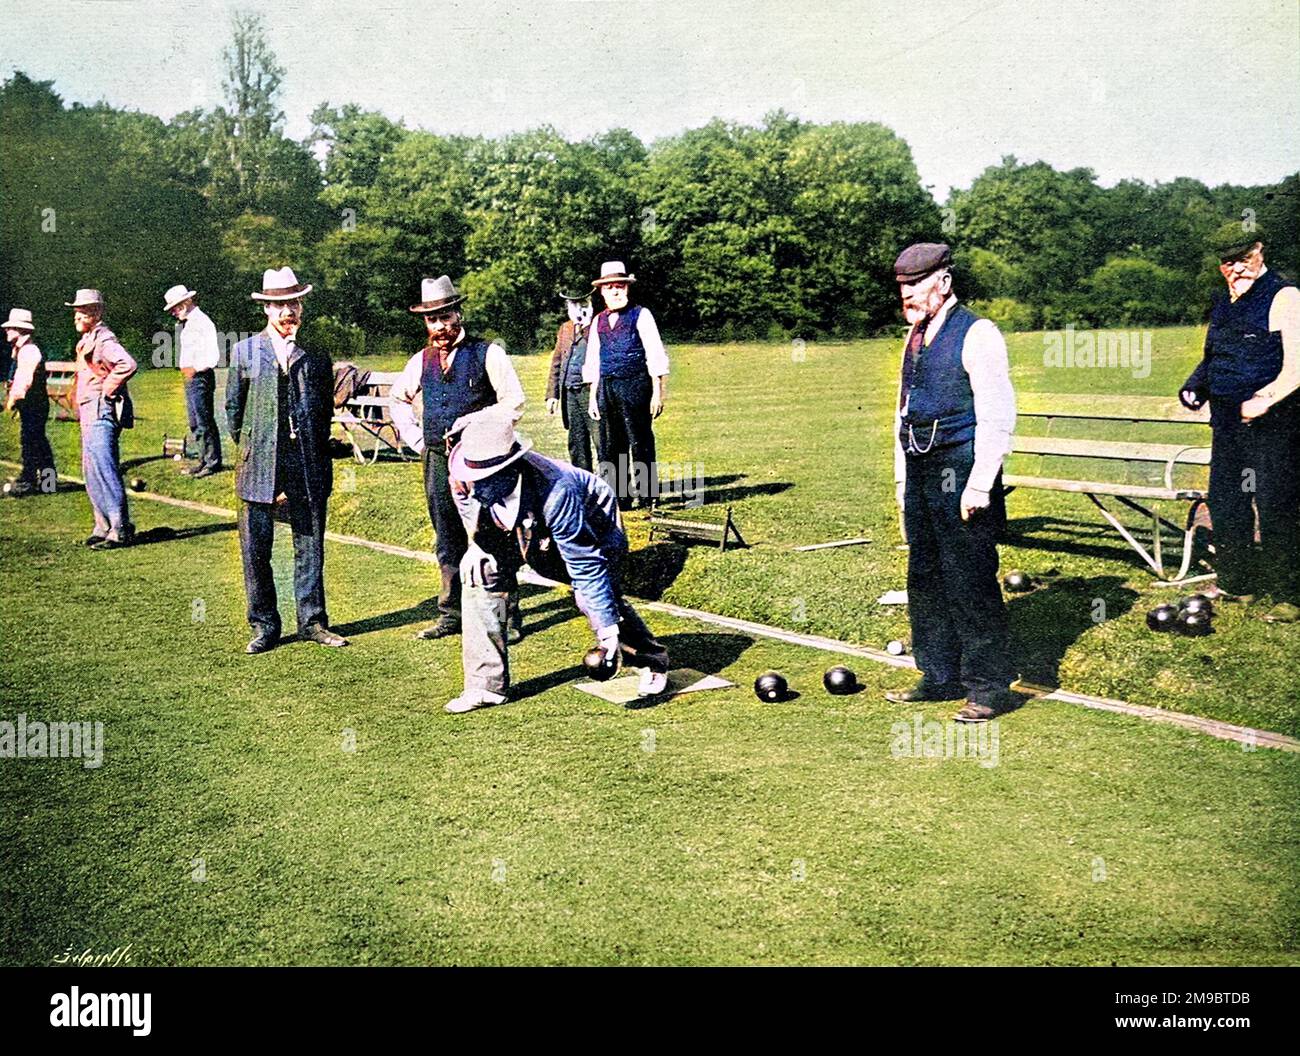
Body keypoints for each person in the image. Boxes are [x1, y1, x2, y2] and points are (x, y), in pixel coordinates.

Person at [442, 408, 670, 714]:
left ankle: (649, 659)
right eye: (473, 477)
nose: (476, 487)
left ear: (511, 468)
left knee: (592, 597)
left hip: (593, 520)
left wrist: (606, 633)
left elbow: (585, 565)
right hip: (514, 523)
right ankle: (486, 686)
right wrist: (477, 546)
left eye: (485, 479)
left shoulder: (557, 490)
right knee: (481, 574)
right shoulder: (465, 476)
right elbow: (471, 510)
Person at [884, 243, 1018, 723]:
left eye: (915, 286)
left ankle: (989, 687)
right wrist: (903, 484)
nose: (907, 297)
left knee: (970, 578)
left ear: (942, 281)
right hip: (921, 471)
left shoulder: (978, 333)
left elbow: (997, 415)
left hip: (961, 471)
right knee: (924, 575)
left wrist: (980, 484)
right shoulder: (914, 336)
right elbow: (904, 411)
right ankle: (938, 675)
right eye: (902, 288)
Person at [389, 275, 526, 641]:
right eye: (432, 319)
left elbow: (514, 404)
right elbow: (397, 399)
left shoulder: (488, 353)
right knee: (446, 535)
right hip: (436, 459)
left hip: (483, 463)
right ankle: (451, 614)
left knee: (494, 532)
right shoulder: (421, 360)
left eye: (446, 316)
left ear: (458, 314)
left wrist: (480, 429)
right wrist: (418, 439)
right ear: (425, 323)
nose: (440, 326)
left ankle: (508, 614)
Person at [1180, 223, 1300, 622]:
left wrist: (1264, 399)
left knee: (1276, 504)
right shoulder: (1223, 301)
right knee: (1226, 502)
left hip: (1275, 424)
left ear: (1260, 251)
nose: (1237, 269)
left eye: (1244, 259)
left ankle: (1289, 594)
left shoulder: (1284, 297)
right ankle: (1237, 583)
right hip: (1228, 422)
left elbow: (1296, 368)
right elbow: (1214, 355)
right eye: (1228, 263)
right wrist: (1195, 385)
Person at [226, 267, 348, 654]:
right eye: (278, 305)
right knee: (256, 550)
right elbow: (233, 412)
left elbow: (324, 407)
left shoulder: (316, 352)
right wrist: (257, 447)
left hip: (307, 464)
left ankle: (312, 622)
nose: (286, 312)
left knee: (310, 545)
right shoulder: (244, 351)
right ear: (266, 309)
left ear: (301, 306)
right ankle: (264, 626)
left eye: (292, 303)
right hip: (258, 464)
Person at [583, 261, 669, 509]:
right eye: (610, 287)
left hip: (636, 385)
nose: (615, 291)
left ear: (628, 288)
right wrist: (593, 398)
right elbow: (593, 361)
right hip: (607, 387)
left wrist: (657, 393)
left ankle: (648, 494)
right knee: (612, 444)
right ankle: (619, 496)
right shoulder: (598, 321)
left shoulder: (641, 315)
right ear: (602, 292)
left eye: (620, 286)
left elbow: (655, 354)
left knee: (639, 439)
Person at [67, 289, 137, 549]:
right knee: (92, 469)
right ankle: (103, 526)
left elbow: (127, 364)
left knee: (104, 468)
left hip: (100, 409)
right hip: (90, 410)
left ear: (95, 313)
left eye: (82, 310)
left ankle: (119, 528)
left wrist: (108, 389)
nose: (76, 314)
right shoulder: (89, 338)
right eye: (76, 309)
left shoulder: (103, 339)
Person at [164, 284, 223, 478]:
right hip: (192, 378)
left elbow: (213, 356)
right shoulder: (189, 323)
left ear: (188, 301)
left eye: (177, 306)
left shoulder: (202, 322)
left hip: (200, 378)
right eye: (173, 308)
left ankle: (212, 462)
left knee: (203, 420)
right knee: (195, 422)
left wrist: (195, 369)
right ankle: (203, 459)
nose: (174, 311)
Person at [3, 309, 56, 497]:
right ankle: (48, 483)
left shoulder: (29, 350)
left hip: (34, 403)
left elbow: (24, 379)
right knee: (39, 442)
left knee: (30, 442)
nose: (7, 331)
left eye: (10, 328)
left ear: (20, 329)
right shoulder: (19, 349)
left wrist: (12, 400)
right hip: (32, 403)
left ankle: (28, 479)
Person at [544, 289, 595, 471]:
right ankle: (585, 487)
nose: (578, 307)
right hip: (570, 394)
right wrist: (552, 394)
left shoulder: (597, 325)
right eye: (573, 303)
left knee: (602, 441)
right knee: (577, 443)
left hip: (592, 393)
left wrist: (587, 325)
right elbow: (557, 362)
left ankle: (613, 490)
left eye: (582, 302)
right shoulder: (565, 328)